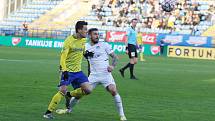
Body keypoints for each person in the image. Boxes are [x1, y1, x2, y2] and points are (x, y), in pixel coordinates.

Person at [56, 28, 127, 121]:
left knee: (113, 90)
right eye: (95, 34)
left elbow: (115, 57)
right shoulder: (85, 46)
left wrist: (112, 66)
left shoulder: (104, 45)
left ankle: (122, 115)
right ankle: (68, 109)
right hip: (93, 76)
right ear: (89, 35)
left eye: (98, 34)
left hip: (106, 75)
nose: (97, 36)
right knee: (80, 94)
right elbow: (77, 57)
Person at [43, 21, 93, 119]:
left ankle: (69, 95)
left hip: (78, 71)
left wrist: (86, 54)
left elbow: (81, 50)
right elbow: (63, 57)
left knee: (88, 90)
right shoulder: (68, 41)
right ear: (79, 30)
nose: (86, 32)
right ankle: (48, 112)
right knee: (62, 90)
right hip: (68, 71)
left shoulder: (83, 40)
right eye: (85, 29)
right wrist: (64, 70)